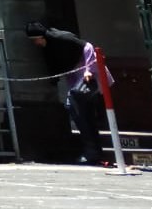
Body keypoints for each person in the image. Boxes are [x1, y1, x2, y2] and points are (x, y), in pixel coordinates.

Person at [26, 20, 110, 164]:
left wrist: (88, 70)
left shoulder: (61, 37)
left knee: (78, 107)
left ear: (41, 36)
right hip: (74, 76)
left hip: (86, 72)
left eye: (35, 40)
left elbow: (87, 46)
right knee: (81, 114)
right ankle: (93, 152)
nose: (36, 43)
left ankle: (93, 152)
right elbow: (54, 65)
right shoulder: (48, 48)